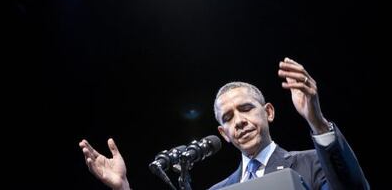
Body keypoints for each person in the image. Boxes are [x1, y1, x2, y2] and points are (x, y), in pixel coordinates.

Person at [79, 57, 369, 189]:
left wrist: (315, 121)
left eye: (246, 109)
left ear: (268, 112)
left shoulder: (311, 164)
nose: (239, 122)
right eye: (228, 118)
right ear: (223, 134)